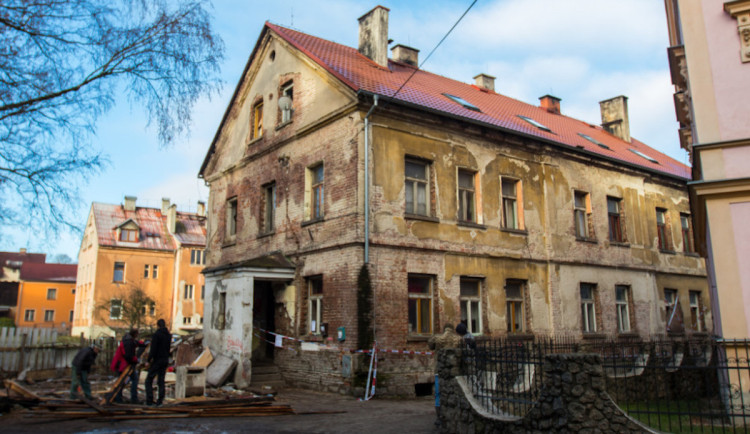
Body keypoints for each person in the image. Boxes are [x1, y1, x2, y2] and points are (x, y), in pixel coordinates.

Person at [111, 329, 147, 403]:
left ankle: (119, 398)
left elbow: (136, 343)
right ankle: (130, 398)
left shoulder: (129, 340)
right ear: (135, 334)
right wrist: (136, 360)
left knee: (123, 381)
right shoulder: (128, 342)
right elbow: (128, 355)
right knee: (127, 380)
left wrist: (143, 344)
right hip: (122, 365)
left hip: (123, 364)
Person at [145, 319, 171, 406]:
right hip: (165, 359)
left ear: (158, 325)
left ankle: (149, 400)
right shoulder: (168, 335)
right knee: (161, 381)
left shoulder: (157, 335)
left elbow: (153, 349)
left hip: (157, 360)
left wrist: (148, 360)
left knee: (149, 380)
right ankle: (160, 401)